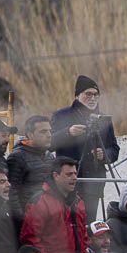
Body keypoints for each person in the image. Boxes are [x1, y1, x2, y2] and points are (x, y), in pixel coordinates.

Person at [19, 157, 89, 253]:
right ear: (55, 176)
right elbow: (30, 238)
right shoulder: (40, 201)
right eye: (69, 174)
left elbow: (83, 238)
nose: (74, 178)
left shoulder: (78, 202)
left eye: (75, 174)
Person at [51, 76, 119, 218]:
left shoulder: (103, 119)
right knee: (68, 221)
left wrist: (104, 155)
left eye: (96, 94)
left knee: (89, 224)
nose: (92, 98)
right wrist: (68, 132)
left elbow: (114, 149)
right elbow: (49, 144)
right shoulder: (62, 116)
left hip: (94, 182)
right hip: (69, 181)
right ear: (77, 95)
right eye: (88, 94)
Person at [6, 115, 53, 224]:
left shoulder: (49, 156)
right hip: (29, 219)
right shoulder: (17, 157)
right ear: (30, 135)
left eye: (50, 131)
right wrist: (22, 220)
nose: (49, 135)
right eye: (43, 131)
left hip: (49, 216)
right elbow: (11, 192)